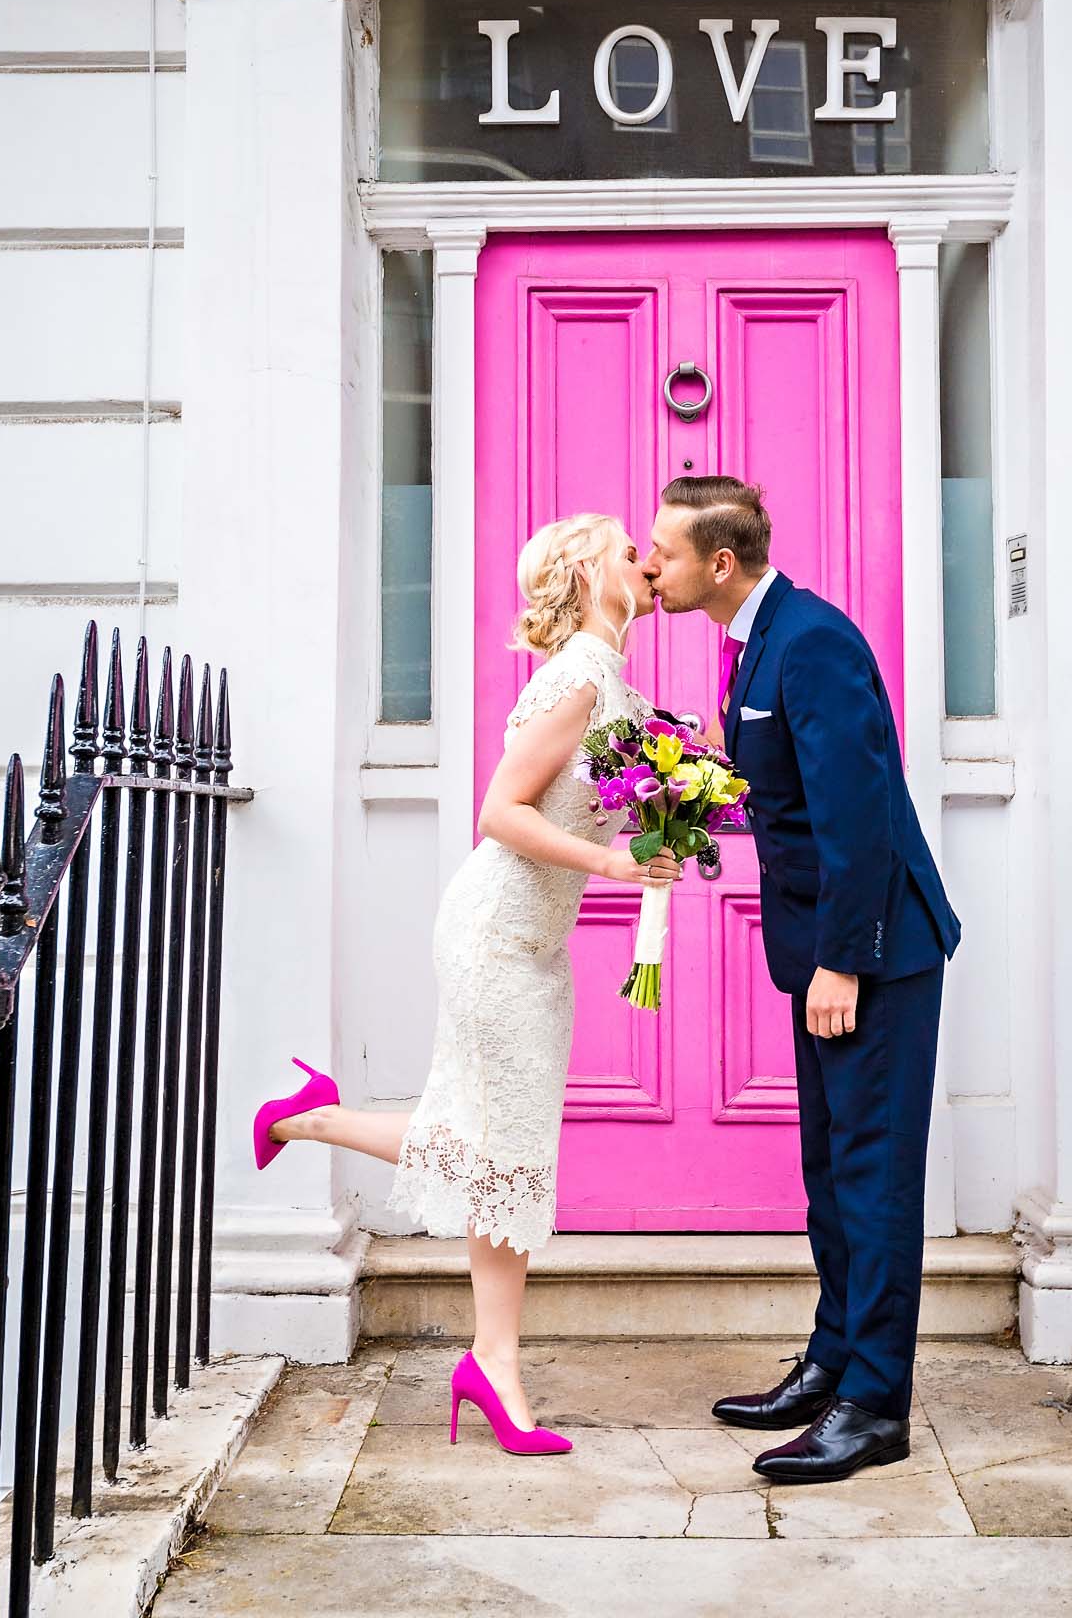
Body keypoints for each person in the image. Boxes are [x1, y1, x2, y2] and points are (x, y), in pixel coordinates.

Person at [252, 512, 679, 1456]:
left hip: (537, 940)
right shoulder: (574, 675)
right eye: (625, 551)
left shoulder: (616, 681)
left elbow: (605, 808)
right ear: (587, 573)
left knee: (502, 1146)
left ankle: (308, 1119)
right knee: (506, 1148)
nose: (645, 561)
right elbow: (499, 811)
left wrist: (672, 826)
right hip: (495, 932)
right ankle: (496, 1364)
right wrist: (614, 871)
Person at [642, 475, 961, 1485]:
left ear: (719, 563)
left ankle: (873, 1402)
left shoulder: (812, 640)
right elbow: (785, 792)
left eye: (665, 550)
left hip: (873, 953)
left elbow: (859, 813)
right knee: (830, 1172)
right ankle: (831, 1360)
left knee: (872, 1175)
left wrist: (841, 958)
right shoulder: (755, 639)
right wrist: (689, 783)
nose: (650, 564)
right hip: (823, 946)